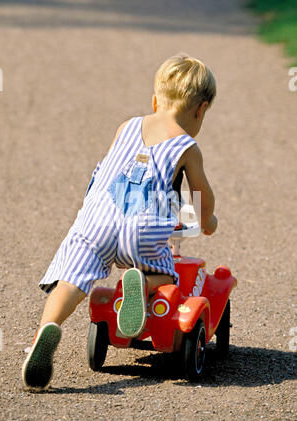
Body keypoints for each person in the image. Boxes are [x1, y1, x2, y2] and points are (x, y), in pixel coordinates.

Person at [22, 53, 218, 391]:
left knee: (71, 279)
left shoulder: (126, 126)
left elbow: (110, 172)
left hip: (96, 220)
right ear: (200, 110)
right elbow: (202, 195)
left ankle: (46, 330)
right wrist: (208, 219)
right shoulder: (187, 146)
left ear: (155, 100)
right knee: (166, 272)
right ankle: (141, 285)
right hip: (141, 229)